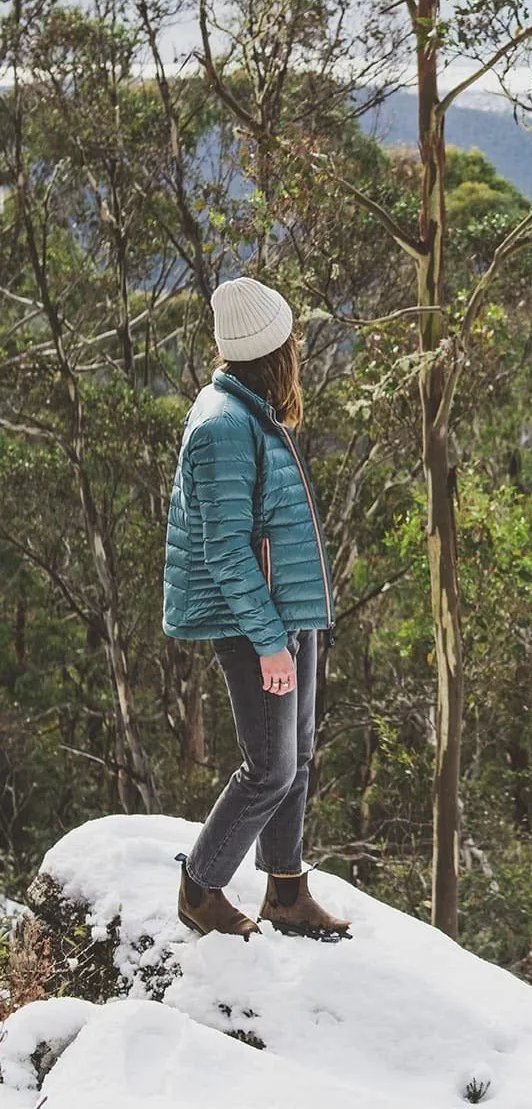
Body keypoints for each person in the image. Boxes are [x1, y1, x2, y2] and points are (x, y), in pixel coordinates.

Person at [162, 276, 348, 941]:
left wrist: (291, 624)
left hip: (284, 609)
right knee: (269, 765)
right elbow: (226, 553)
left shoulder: (249, 408)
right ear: (275, 350)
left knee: (294, 757)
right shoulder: (222, 426)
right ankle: (199, 886)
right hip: (252, 619)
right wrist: (271, 641)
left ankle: (287, 893)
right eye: (292, 338)